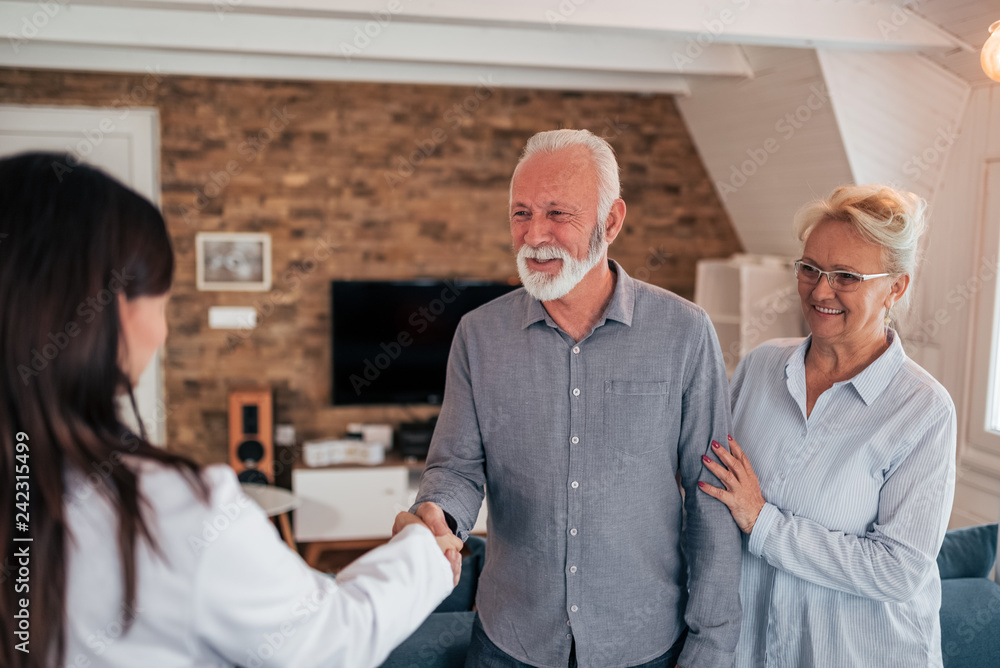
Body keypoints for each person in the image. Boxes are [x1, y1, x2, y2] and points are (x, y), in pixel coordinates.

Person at [0, 152, 462, 668]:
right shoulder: (170, 512)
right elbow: (333, 640)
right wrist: (425, 547)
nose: (165, 329)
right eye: (163, 301)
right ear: (114, 313)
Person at [396, 129, 742, 668]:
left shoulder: (684, 332)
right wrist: (438, 515)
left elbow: (711, 499)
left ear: (612, 221)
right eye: (521, 213)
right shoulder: (478, 334)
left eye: (559, 214)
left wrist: (713, 643)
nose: (534, 236)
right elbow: (458, 467)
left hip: (644, 642)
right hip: (511, 639)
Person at [699, 184, 957, 667]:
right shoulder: (760, 368)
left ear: (895, 287)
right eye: (810, 268)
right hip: (752, 651)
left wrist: (762, 522)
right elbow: (715, 488)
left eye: (847, 276)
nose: (820, 290)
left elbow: (897, 571)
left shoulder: (924, 411)